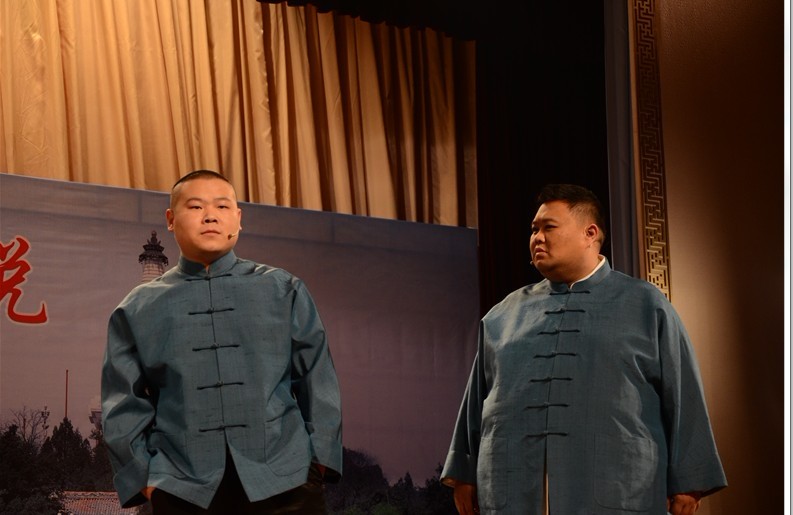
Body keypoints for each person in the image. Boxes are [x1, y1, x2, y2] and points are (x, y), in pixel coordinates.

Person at [441, 184, 726, 515]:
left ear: (590, 233)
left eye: (548, 227)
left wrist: (688, 480)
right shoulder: (502, 315)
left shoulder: (646, 304)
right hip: (513, 485)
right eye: (534, 229)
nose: (537, 238)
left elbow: (683, 393)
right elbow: (475, 401)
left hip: (618, 486)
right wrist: (464, 473)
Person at [101, 170, 342, 513]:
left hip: (287, 480)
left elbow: (318, 378)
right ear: (170, 219)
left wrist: (319, 461)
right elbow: (122, 402)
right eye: (195, 206)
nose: (210, 216)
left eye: (222, 206)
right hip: (181, 487)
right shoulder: (136, 308)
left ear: (239, 219)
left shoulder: (283, 289)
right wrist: (144, 480)